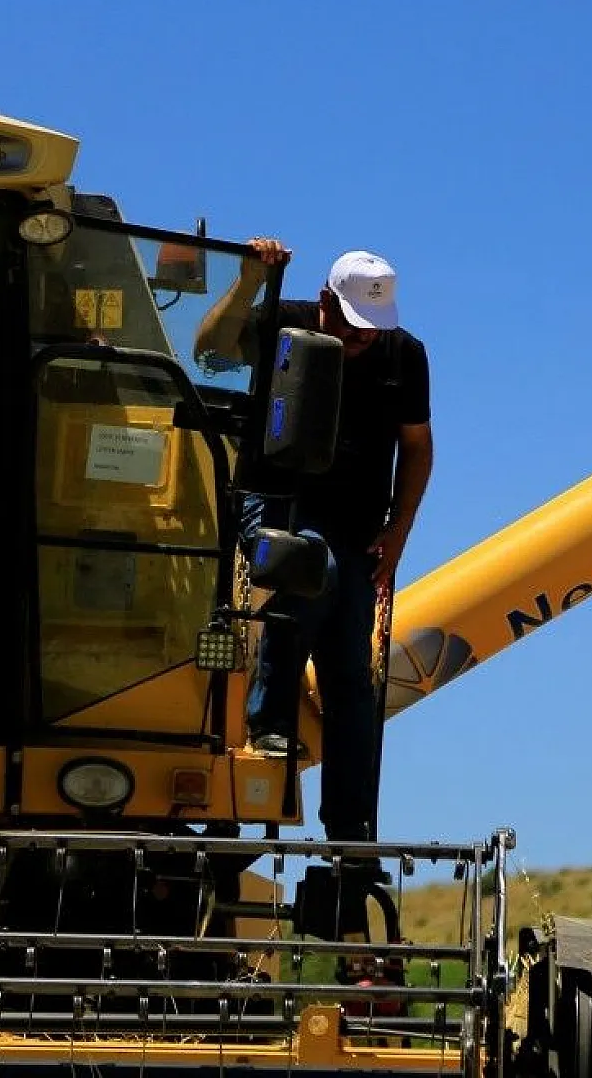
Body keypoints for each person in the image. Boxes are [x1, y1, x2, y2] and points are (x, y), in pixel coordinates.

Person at [192, 238, 433, 844]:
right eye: (353, 330)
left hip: (354, 529)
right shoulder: (282, 323)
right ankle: (268, 720)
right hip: (271, 506)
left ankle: (350, 830)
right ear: (326, 300)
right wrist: (250, 279)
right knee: (310, 565)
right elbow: (209, 348)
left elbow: (418, 447)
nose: (363, 341)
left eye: (372, 330)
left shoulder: (403, 355)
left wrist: (397, 532)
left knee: (353, 675)